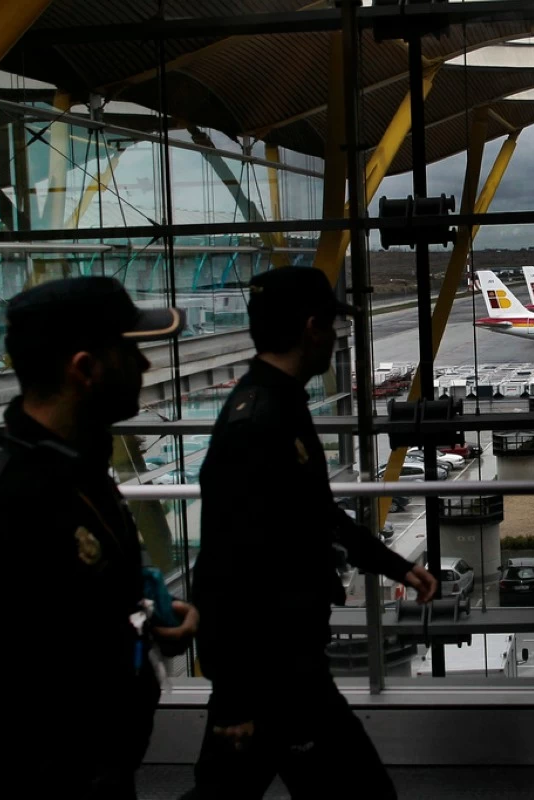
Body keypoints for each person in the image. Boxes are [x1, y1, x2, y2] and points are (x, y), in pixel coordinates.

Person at [0, 277, 199, 799]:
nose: (144, 367)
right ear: (85, 369)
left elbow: (49, 620)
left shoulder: (76, 474)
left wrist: (143, 622)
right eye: (129, 350)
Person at [188, 267, 437, 799]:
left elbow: (317, 512)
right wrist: (233, 696)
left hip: (283, 659)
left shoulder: (279, 402)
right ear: (310, 329)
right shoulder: (259, 423)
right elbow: (224, 566)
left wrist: (397, 566)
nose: (336, 337)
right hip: (273, 669)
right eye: (331, 326)